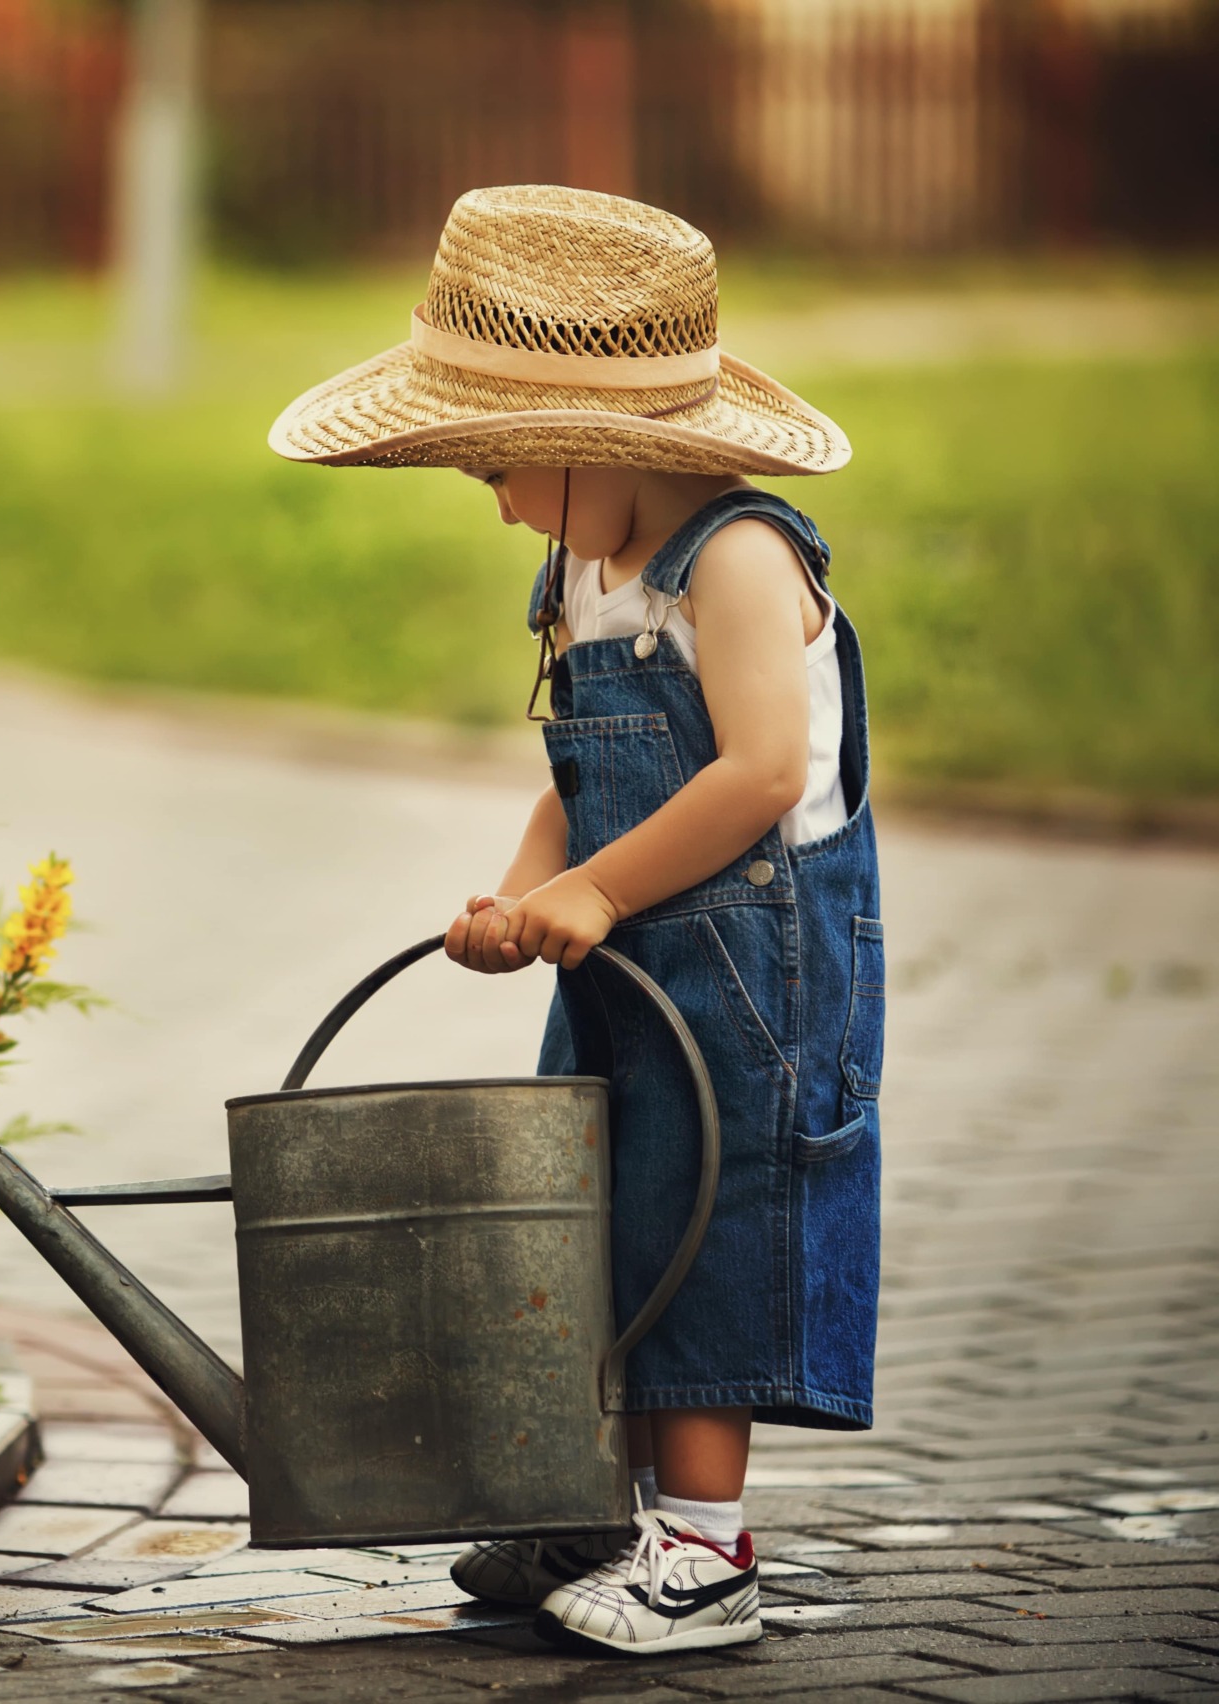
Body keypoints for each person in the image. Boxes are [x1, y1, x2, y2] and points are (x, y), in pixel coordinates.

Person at [268, 184, 882, 1656]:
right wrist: (534, 888)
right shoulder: (582, 568)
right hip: (630, 953)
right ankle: (587, 1505)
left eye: (498, 463)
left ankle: (707, 1556)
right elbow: (577, 777)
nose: (487, 500)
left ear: (605, 442)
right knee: (589, 1207)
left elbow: (761, 773)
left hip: (753, 969)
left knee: (706, 1221)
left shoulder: (735, 560)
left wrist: (598, 890)